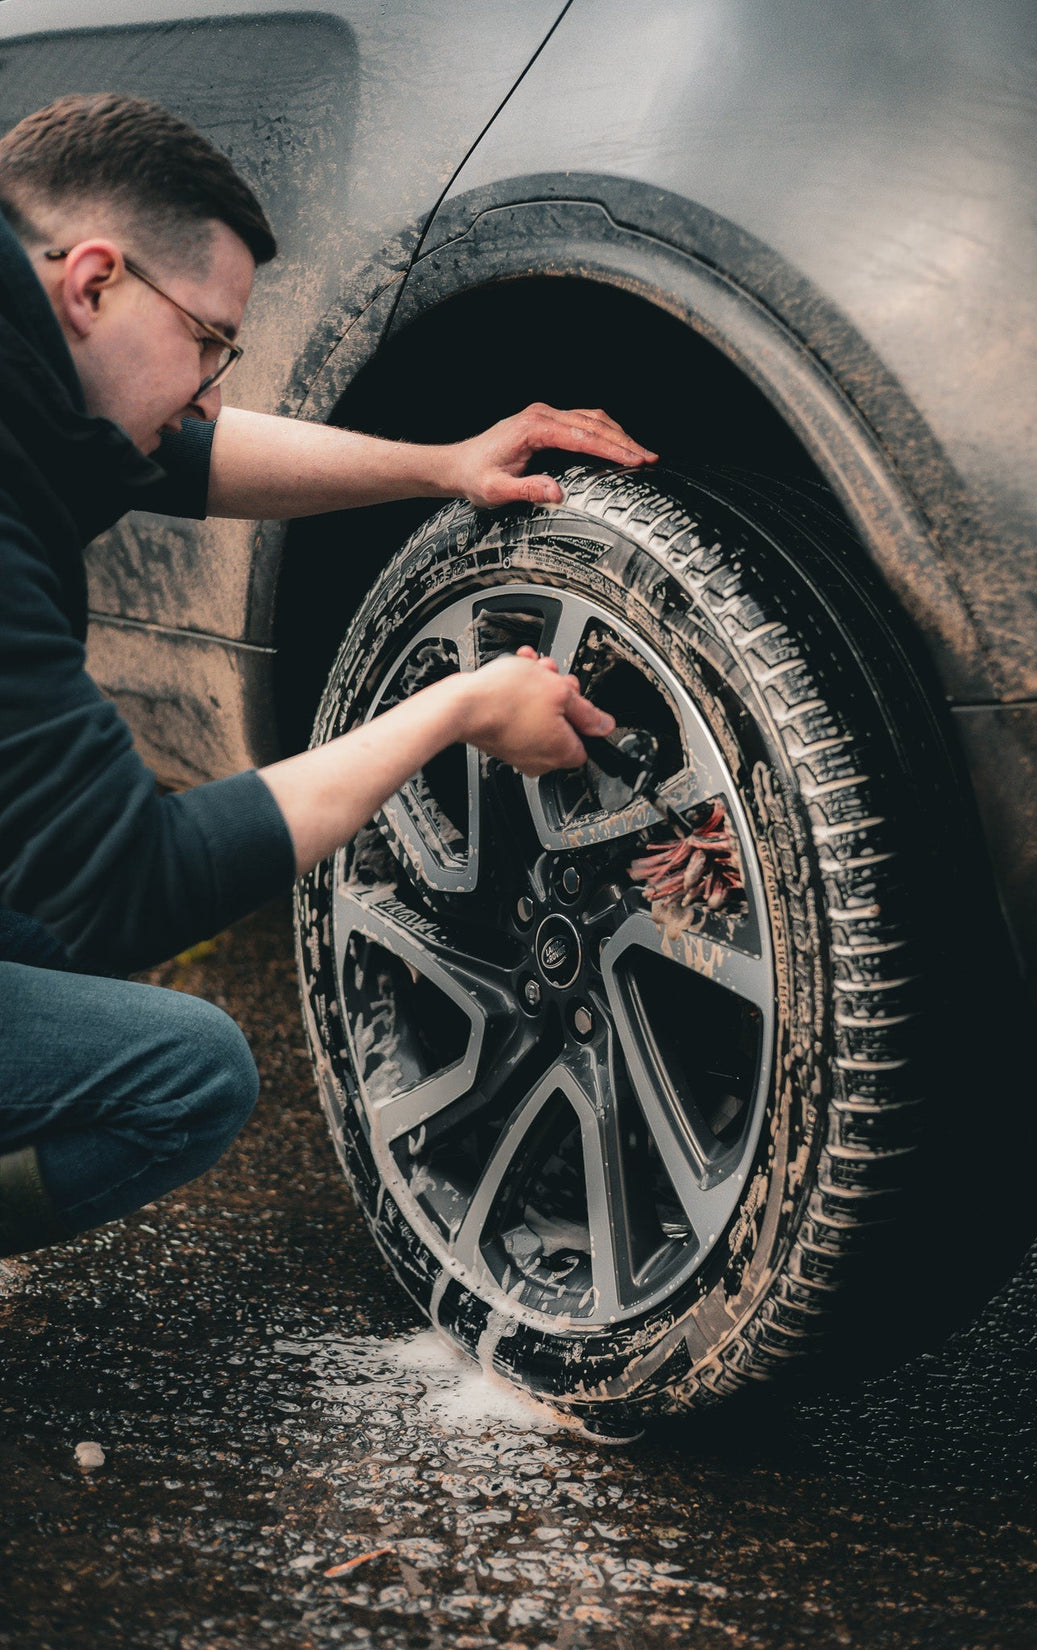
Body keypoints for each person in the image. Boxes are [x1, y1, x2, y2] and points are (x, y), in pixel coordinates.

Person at [0, 93, 657, 1259]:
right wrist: (454, 708)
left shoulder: (28, 371)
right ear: (92, 282)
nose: (212, 388)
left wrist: (444, 465)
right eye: (207, 341)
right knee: (183, 1069)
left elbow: (182, 454)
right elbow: (127, 884)